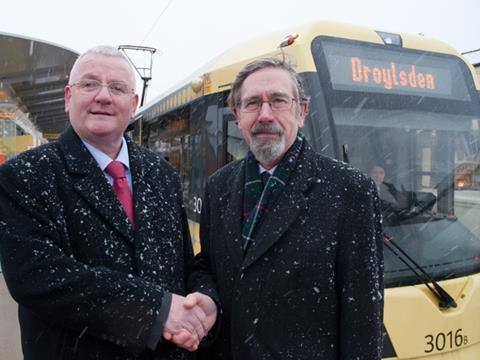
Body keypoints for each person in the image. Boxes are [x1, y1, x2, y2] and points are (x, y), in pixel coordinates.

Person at [0, 46, 216, 360]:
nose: (103, 96)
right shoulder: (23, 176)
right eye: (90, 84)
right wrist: (157, 310)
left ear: (133, 104)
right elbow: (38, 279)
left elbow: (185, 264)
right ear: (67, 97)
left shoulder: (163, 175)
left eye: (117, 87)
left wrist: (205, 299)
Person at [188, 58, 384, 359]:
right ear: (238, 116)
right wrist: (206, 296)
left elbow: (363, 313)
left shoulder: (351, 190)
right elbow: (207, 266)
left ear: (301, 111)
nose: (265, 115)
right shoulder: (219, 186)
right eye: (253, 103)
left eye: (278, 101)